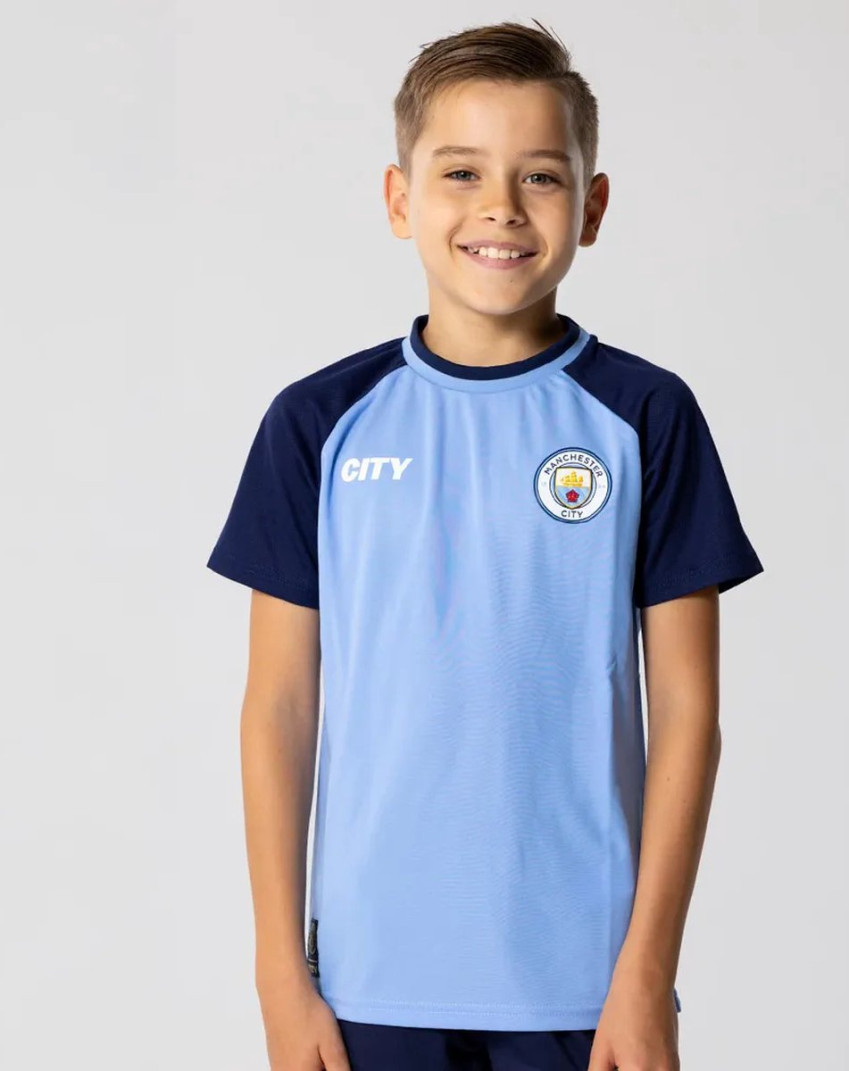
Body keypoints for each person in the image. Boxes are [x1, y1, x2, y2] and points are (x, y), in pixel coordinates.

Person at [206, 18, 764, 1071]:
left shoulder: (646, 417)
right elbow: (278, 707)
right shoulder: (318, 424)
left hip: (583, 987)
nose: (501, 206)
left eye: (540, 176)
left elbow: (689, 713)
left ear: (592, 206)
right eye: (460, 171)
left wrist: (645, 976)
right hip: (366, 981)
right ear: (399, 199)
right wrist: (280, 977)